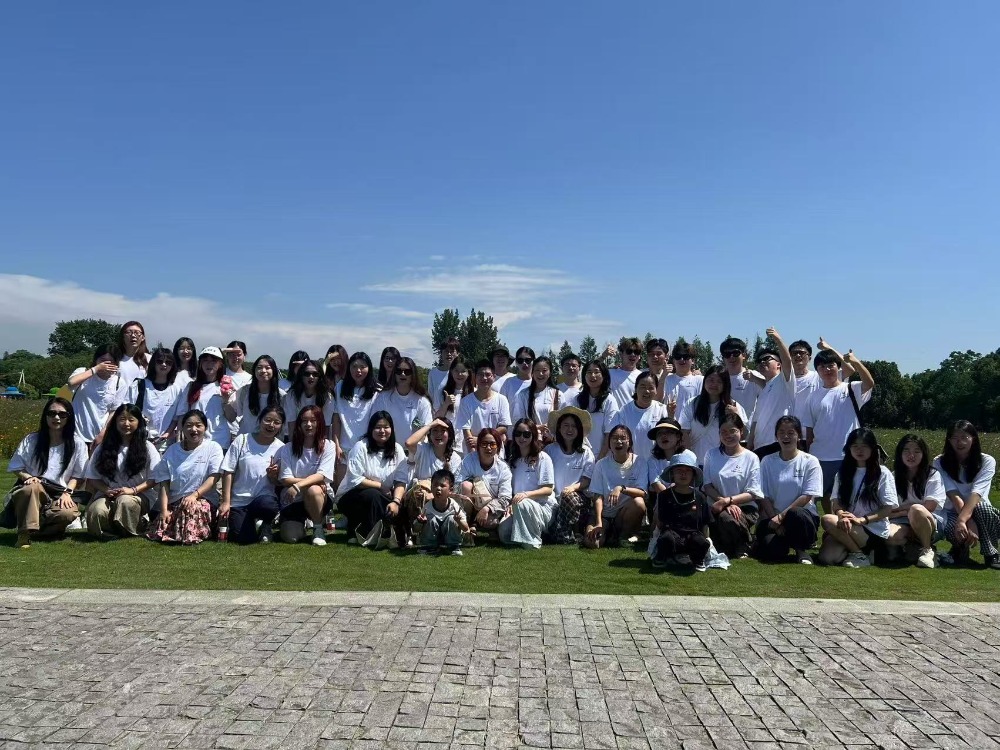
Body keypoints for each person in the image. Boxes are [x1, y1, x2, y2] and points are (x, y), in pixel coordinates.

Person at [2, 397, 89, 548]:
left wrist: (68, 492)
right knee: (32, 487)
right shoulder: (31, 440)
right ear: (45, 416)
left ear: (69, 417)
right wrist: (28, 477)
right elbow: (16, 466)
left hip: (59, 491)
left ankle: (41, 530)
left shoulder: (77, 443)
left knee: (68, 513)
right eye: (52, 413)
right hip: (32, 489)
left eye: (62, 414)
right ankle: (24, 534)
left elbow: (78, 475)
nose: (57, 418)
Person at [804, 344, 874, 514]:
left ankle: (848, 526)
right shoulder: (812, 396)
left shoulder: (851, 388)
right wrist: (808, 453)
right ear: (817, 371)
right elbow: (809, 430)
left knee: (847, 497)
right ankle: (827, 525)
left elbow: (869, 382)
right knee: (819, 497)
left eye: (831, 365)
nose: (827, 370)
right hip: (820, 456)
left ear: (838, 367)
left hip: (847, 455)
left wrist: (855, 362)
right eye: (822, 367)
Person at [818, 428, 899, 567]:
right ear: (848, 448)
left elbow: (887, 509)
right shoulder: (843, 472)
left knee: (827, 519)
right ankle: (862, 553)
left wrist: (863, 520)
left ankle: (858, 555)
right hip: (848, 524)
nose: (859, 450)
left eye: (864, 446)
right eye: (855, 446)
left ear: (872, 448)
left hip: (873, 528)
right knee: (827, 558)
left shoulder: (882, 473)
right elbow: (836, 502)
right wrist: (842, 515)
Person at [84, 403, 161, 539]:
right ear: (115, 422)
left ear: (139, 422)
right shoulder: (103, 447)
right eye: (122, 419)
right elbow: (92, 477)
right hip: (109, 493)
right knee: (97, 510)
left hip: (139, 494)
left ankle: (134, 527)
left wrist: (133, 490)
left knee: (125, 501)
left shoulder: (148, 447)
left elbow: (155, 478)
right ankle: (111, 532)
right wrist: (107, 490)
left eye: (131, 420)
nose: (126, 424)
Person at [148, 408, 224, 545]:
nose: (194, 429)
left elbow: (214, 477)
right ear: (182, 428)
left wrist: (194, 495)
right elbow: (164, 483)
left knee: (191, 509)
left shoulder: (213, 448)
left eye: (198, 425)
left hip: (203, 498)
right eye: (189, 425)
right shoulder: (172, 451)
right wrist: (164, 510)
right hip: (176, 500)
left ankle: (195, 532)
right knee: (166, 520)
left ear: (205, 427)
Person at [754, 416, 823, 564]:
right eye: (781, 432)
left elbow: (807, 496)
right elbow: (763, 495)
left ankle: (801, 551)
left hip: (800, 518)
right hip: (773, 518)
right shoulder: (767, 461)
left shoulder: (810, 461)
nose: (786, 436)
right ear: (776, 436)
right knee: (772, 552)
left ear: (799, 436)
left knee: (796, 513)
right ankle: (781, 544)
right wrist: (775, 519)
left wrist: (781, 517)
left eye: (791, 433)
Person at [934, 420, 1000, 569]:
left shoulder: (987, 461)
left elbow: (976, 494)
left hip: (979, 510)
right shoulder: (939, 462)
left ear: (973, 439)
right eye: (955, 438)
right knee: (952, 526)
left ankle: (991, 553)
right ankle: (959, 549)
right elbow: (952, 494)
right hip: (953, 510)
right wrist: (967, 522)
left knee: (983, 508)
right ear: (948, 440)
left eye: (964, 437)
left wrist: (963, 519)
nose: (960, 442)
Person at [336, 411, 407, 547]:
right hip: (351, 496)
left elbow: (401, 480)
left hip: (384, 495)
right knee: (372, 495)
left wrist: (396, 502)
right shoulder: (360, 447)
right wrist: (380, 486)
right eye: (378, 427)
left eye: (386, 427)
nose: (382, 431)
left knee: (401, 503)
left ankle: (364, 531)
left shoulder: (397, 449)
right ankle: (369, 534)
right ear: (371, 429)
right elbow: (355, 480)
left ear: (392, 429)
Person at [218, 405, 285, 544]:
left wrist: (273, 476)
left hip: (263, 499)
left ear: (281, 426)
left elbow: (280, 483)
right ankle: (255, 524)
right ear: (260, 420)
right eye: (268, 420)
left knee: (268, 505)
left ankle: (266, 523)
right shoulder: (242, 440)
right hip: (239, 501)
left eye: (277, 422)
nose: (271, 425)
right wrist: (226, 502)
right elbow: (228, 471)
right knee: (243, 539)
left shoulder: (281, 448)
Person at [392, 418, 464, 548]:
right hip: (420, 495)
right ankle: (414, 533)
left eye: (443, 431)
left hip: (443, 499)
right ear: (429, 434)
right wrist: (430, 424)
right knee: (419, 491)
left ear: (450, 435)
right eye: (435, 431)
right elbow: (409, 443)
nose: (438, 434)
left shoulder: (455, 458)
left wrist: (434, 495)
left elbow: (454, 487)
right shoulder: (424, 449)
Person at [702, 413, 762, 559]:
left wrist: (729, 501)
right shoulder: (711, 454)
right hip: (716, 505)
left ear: (741, 432)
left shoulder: (751, 457)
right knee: (718, 524)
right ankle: (741, 542)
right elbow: (707, 486)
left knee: (726, 518)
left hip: (744, 508)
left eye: (732, 431)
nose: (728, 435)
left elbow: (753, 492)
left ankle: (743, 544)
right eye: (723, 432)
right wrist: (723, 502)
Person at [275, 405, 337, 546]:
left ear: (320, 423)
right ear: (299, 424)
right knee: (290, 537)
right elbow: (285, 479)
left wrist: (297, 485)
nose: (308, 424)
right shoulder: (288, 448)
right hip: (293, 499)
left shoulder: (328, 445)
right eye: (304, 421)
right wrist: (313, 481)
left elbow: (322, 475)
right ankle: (301, 524)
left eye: (313, 420)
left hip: (319, 497)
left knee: (313, 490)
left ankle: (318, 529)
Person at [884, 434, 947, 569]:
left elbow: (930, 506)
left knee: (917, 509)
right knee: (890, 536)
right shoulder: (894, 476)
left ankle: (927, 550)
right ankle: (912, 548)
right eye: (906, 451)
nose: (911, 455)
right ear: (900, 453)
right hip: (902, 520)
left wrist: (906, 510)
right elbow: (888, 509)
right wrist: (904, 513)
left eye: (917, 451)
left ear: (923, 454)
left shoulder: (932, 475)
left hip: (931, 520)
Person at [585, 425, 647, 548]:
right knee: (592, 544)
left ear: (630, 442)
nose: (619, 441)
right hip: (604, 515)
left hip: (623, 515)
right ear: (609, 443)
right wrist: (599, 522)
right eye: (614, 438)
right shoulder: (601, 464)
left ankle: (623, 536)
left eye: (623, 438)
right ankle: (608, 534)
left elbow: (643, 492)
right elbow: (598, 496)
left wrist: (621, 488)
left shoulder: (640, 462)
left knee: (639, 502)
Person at [498, 418, 556, 549]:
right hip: (519, 505)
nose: (521, 438)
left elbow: (548, 489)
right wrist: (511, 505)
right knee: (504, 532)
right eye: (518, 434)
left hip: (542, 506)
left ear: (533, 435)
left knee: (522, 503)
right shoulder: (513, 460)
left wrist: (525, 495)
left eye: (526, 434)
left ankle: (532, 543)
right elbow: (512, 491)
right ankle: (533, 534)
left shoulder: (543, 457)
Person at [650, 452, 711, 571]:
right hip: (672, 533)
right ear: (672, 474)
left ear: (693, 475)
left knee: (701, 542)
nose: (683, 474)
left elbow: (705, 523)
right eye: (679, 470)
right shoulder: (664, 496)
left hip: (693, 534)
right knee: (665, 539)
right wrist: (654, 539)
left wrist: (707, 540)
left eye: (688, 470)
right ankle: (662, 557)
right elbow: (660, 522)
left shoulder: (700, 496)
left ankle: (697, 559)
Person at [166, 346, 232, 450]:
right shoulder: (191, 386)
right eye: (205, 360)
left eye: (213, 361)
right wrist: (180, 434)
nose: (209, 364)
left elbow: (231, 417)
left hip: (219, 441)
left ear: (220, 364)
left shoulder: (226, 386)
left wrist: (226, 400)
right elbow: (183, 413)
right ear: (200, 363)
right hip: (194, 440)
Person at [679, 366, 747, 466]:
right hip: (696, 463)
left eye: (719, 381)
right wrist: (690, 460)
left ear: (725, 384)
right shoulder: (692, 403)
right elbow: (684, 432)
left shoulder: (733, 406)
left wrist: (736, 415)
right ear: (704, 381)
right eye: (711, 380)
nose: (714, 384)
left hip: (723, 463)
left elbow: (744, 435)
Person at [67, 343, 130, 448]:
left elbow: (113, 411)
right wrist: (96, 369)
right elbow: (71, 383)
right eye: (103, 360)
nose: (106, 365)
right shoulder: (83, 372)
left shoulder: (119, 383)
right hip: (75, 433)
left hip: (99, 436)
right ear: (96, 360)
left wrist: (103, 433)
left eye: (111, 362)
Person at [746, 329, 796, 458]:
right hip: (759, 446)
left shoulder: (784, 380)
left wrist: (777, 339)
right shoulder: (764, 390)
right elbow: (755, 420)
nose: (762, 362)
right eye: (759, 361)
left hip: (777, 443)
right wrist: (750, 442)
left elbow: (787, 361)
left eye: (767, 359)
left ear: (779, 364)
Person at [331, 352, 379, 489]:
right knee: (341, 489)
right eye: (354, 366)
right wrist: (336, 444)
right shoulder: (340, 387)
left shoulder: (376, 391)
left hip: (366, 447)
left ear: (369, 368)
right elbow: (337, 419)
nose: (358, 370)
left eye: (362, 367)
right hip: (344, 446)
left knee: (362, 488)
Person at [126, 346, 184, 451]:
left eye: (168, 362)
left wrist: (167, 433)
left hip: (165, 445)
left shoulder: (176, 390)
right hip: (139, 442)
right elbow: (127, 410)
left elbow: (176, 418)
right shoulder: (139, 385)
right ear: (153, 363)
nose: (164, 364)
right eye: (160, 361)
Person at [455, 427, 512, 532]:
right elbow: (457, 484)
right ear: (478, 446)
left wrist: (487, 508)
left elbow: (505, 498)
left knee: (492, 522)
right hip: (469, 505)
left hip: (490, 505)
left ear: (498, 447)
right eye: (484, 444)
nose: (488, 448)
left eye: (492, 444)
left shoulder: (503, 468)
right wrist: (475, 486)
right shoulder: (469, 460)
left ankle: (476, 524)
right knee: (466, 485)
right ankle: (466, 523)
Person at [606, 371, 667, 460]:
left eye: (651, 388)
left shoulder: (662, 410)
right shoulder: (624, 411)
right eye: (643, 387)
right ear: (635, 389)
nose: (647, 391)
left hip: (658, 462)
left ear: (656, 390)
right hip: (633, 463)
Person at [374, 356, 433, 448]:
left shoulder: (422, 401)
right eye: (398, 371)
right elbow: (375, 424)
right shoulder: (383, 397)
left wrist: (414, 452)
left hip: (414, 450)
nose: (403, 374)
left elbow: (425, 429)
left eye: (407, 371)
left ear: (413, 374)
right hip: (389, 450)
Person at [454, 360, 512, 452]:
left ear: (494, 377)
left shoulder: (502, 399)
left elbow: (504, 427)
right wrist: (473, 455)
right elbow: (466, 431)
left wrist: (481, 440)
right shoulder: (465, 401)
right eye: (480, 374)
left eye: (488, 375)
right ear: (475, 377)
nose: (484, 378)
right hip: (473, 452)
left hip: (496, 452)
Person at [225, 354, 286, 436]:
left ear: (274, 371)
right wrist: (226, 400)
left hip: (271, 441)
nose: (263, 370)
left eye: (267, 368)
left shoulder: (282, 396)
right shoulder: (244, 391)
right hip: (246, 439)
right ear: (254, 371)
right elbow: (231, 417)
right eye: (259, 367)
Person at [416, 469, 470, 556]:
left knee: (451, 519)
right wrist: (420, 522)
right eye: (435, 485)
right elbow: (415, 529)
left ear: (450, 489)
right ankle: (430, 547)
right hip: (434, 538)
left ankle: (453, 546)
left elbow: (466, 528)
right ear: (431, 487)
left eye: (442, 485)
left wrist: (459, 521)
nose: (438, 488)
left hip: (450, 537)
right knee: (430, 519)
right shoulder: (427, 507)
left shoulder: (454, 506)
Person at [645, 419, 688, 524]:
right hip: (661, 498)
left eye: (668, 432)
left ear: (678, 436)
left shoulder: (688, 456)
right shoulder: (652, 460)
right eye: (660, 434)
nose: (664, 436)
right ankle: (655, 533)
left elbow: (689, 482)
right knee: (663, 503)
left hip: (685, 497)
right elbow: (656, 484)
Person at [282, 359, 335, 441]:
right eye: (307, 374)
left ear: (320, 377)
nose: (311, 377)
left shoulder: (328, 397)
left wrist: (322, 445)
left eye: (315, 374)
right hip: (298, 435)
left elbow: (326, 425)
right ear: (301, 376)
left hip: (318, 436)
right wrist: (292, 445)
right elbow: (292, 422)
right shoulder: (292, 394)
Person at [511, 356, 560, 441]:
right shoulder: (523, 394)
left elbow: (562, 421)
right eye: (537, 370)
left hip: (551, 442)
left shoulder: (557, 394)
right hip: (530, 441)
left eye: (544, 370)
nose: (540, 374)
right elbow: (519, 421)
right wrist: (537, 427)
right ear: (532, 372)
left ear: (550, 372)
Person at [576, 360, 619, 454]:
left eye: (596, 372)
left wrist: (600, 458)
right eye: (589, 372)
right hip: (581, 455)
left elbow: (610, 433)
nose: (592, 375)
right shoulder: (577, 400)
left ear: (604, 375)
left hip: (602, 456)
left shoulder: (609, 400)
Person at [432, 355, 473, 443]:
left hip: (467, 441)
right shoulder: (442, 391)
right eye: (456, 371)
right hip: (447, 439)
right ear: (451, 372)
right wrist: (446, 404)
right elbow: (437, 418)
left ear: (468, 373)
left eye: (463, 371)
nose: (459, 374)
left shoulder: (474, 393)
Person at [719, 337, 760, 419]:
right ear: (723, 358)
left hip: (747, 426)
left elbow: (770, 394)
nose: (731, 357)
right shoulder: (718, 378)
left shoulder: (754, 376)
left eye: (735, 353)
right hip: (722, 425)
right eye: (727, 354)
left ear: (744, 355)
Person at [664, 342, 704, 418]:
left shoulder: (700, 380)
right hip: (670, 423)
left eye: (686, 357)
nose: (681, 360)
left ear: (693, 360)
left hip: (692, 424)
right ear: (673, 360)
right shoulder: (666, 379)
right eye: (678, 356)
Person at [788, 340, 820, 427]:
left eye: (801, 353)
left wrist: (827, 348)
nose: (798, 355)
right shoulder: (782, 379)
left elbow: (849, 370)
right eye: (794, 353)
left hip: (812, 430)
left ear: (809, 358)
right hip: (789, 431)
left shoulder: (818, 377)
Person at [604, 338, 644, 405]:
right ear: (621, 354)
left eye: (637, 352)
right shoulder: (610, 374)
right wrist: (603, 356)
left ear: (639, 356)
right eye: (629, 351)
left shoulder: (643, 377)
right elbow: (590, 370)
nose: (633, 354)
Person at [644, 338, 673, 403]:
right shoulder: (639, 375)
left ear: (666, 356)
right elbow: (654, 402)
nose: (655, 357)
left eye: (658, 354)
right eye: (651, 354)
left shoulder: (672, 378)